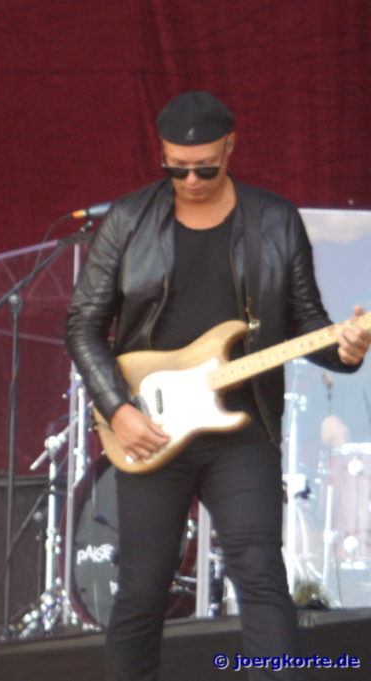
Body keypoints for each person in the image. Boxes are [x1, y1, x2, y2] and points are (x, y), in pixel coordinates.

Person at [65, 91, 370, 680]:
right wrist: (118, 408)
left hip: (242, 428)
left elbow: (306, 322)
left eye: (205, 167)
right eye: (176, 167)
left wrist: (346, 348)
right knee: (141, 589)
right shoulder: (128, 220)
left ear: (231, 147)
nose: (191, 180)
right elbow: (82, 324)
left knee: (260, 573)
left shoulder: (273, 221)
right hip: (149, 423)